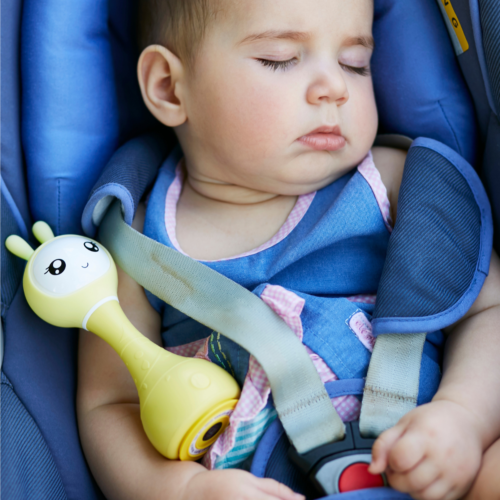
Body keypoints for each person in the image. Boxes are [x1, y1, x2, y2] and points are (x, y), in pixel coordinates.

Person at [77, 0, 500, 499]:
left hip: (437, 468)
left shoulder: (397, 185)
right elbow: (111, 404)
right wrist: (185, 490)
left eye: (355, 63)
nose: (335, 87)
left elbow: (489, 312)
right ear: (170, 86)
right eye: (279, 59)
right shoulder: (138, 248)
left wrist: (464, 416)